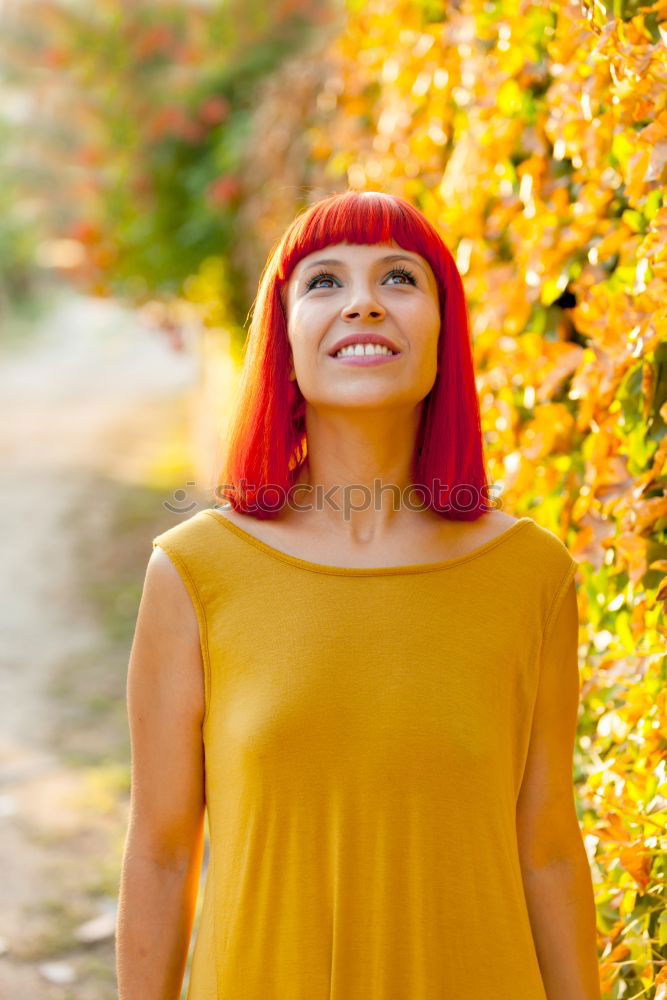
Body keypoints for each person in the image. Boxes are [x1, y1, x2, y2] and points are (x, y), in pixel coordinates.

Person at [116, 190, 601, 999]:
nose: (364, 303)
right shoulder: (195, 572)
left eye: (400, 279)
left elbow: (547, 847)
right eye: (324, 282)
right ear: (284, 341)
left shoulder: (532, 574)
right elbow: (162, 855)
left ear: (443, 335)